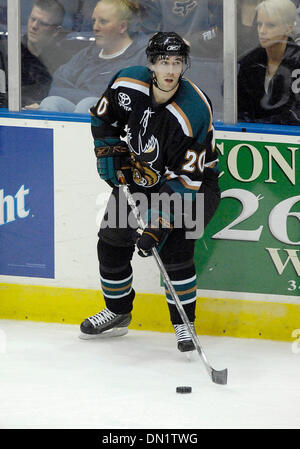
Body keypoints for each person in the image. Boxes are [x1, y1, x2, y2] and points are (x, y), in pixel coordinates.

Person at [79, 32, 221, 353]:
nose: (170, 70)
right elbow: (103, 118)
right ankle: (117, 313)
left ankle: (184, 324)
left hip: (195, 187)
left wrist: (156, 226)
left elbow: (187, 179)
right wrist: (108, 152)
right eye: (163, 62)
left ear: (184, 65)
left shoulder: (194, 110)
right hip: (141, 178)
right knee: (112, 241)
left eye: (177, 62)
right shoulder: (127, 82)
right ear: (151, 63)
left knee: (174, 252)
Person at [37, 0, 148, 113]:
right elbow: (57, 88)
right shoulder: (85, 56)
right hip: (75, 117)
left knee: (88, 105)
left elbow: (127, 99)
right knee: (51, 103)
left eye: (103, 22)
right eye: (94, 21)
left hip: (118, 125)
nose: (95, 27)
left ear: (122, 27)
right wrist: (92, 95)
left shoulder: (141, 59)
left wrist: (82, 95)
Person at [238, 0, 300, 125]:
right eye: (259, 24)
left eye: (270, 25)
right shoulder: (248, 62)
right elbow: (240, 109)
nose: (262, 31)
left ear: (288, 29)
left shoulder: (297, 62)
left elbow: (296, 114)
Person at [0, 0, 66, 108]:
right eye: (32, 19)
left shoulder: (63, 61)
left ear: (56, 31)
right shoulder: (6, 51)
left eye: (43, 23)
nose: (34, 26)